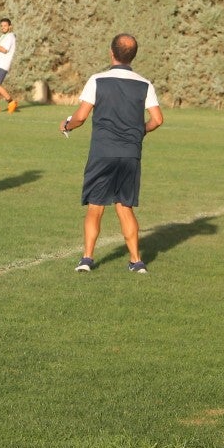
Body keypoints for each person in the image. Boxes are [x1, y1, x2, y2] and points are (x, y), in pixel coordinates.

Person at [61, 33, 163, 273]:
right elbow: (157, 119)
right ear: (133, 55)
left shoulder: (98, 80)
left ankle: (87, 259)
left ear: (111, 52)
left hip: (103, 152)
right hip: (130, 154)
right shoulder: (144, 83)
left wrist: (67, 125)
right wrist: (139, 132)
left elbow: (81, 117)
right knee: (124, 207)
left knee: (95, 206)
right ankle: (137, 261)